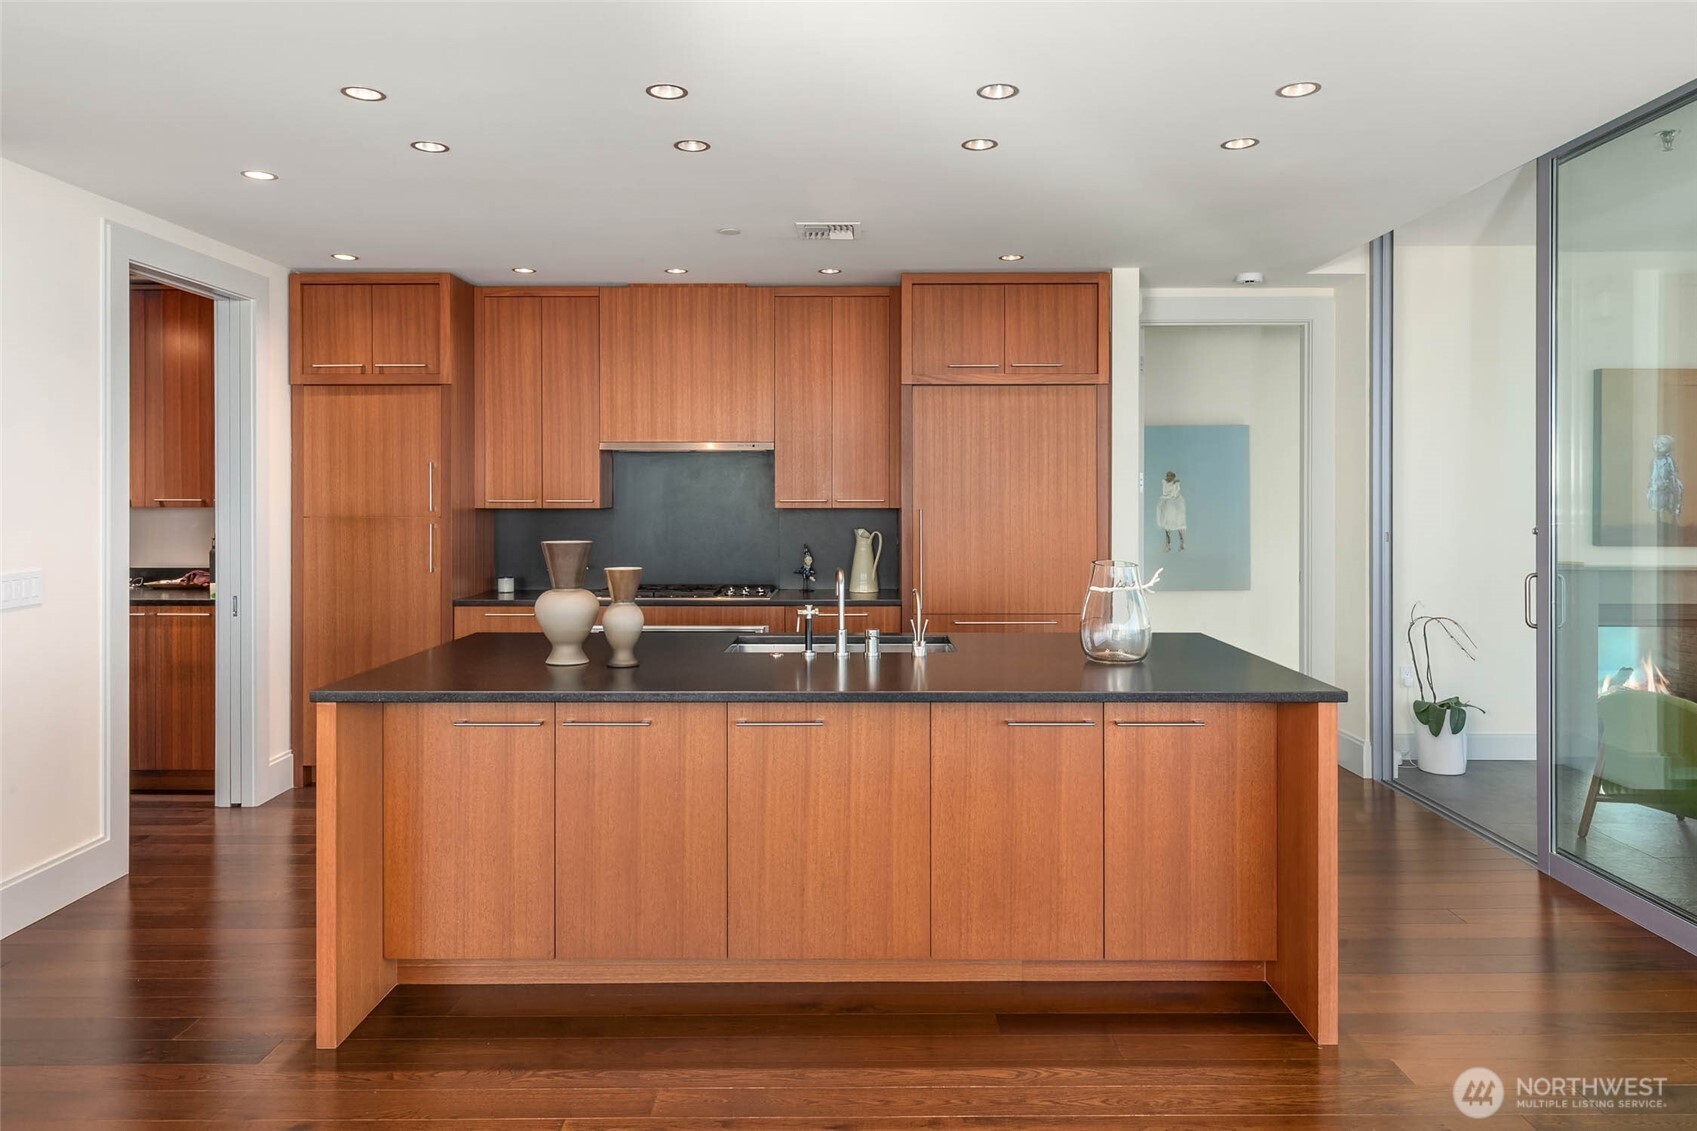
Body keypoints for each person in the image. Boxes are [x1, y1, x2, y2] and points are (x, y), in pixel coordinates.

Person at [1156, 470, 1187, 551]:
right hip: (1167, 500)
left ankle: (1182, 543)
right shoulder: (1164, 482)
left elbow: (1174, 494)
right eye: (1167, 476)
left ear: (1173, 477)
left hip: (1175, 503)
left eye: (1170, 476)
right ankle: (1168, 544)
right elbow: (1165, 492)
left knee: (1179, 523)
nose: (1168, 477)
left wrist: (1174, 485)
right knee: (1166, 523)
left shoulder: (1176, 483)